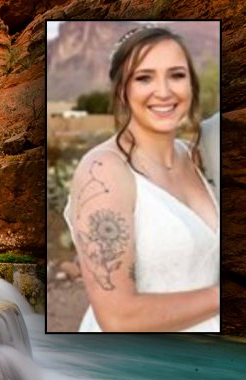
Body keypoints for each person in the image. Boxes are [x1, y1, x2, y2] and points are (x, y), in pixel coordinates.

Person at [64, 26, 219, 332]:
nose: (164, 91)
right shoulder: (104, 171)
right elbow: (118, 318)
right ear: (122, 90)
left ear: (191, 83)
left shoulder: (198, 157)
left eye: (176, 75)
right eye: (144, 77)